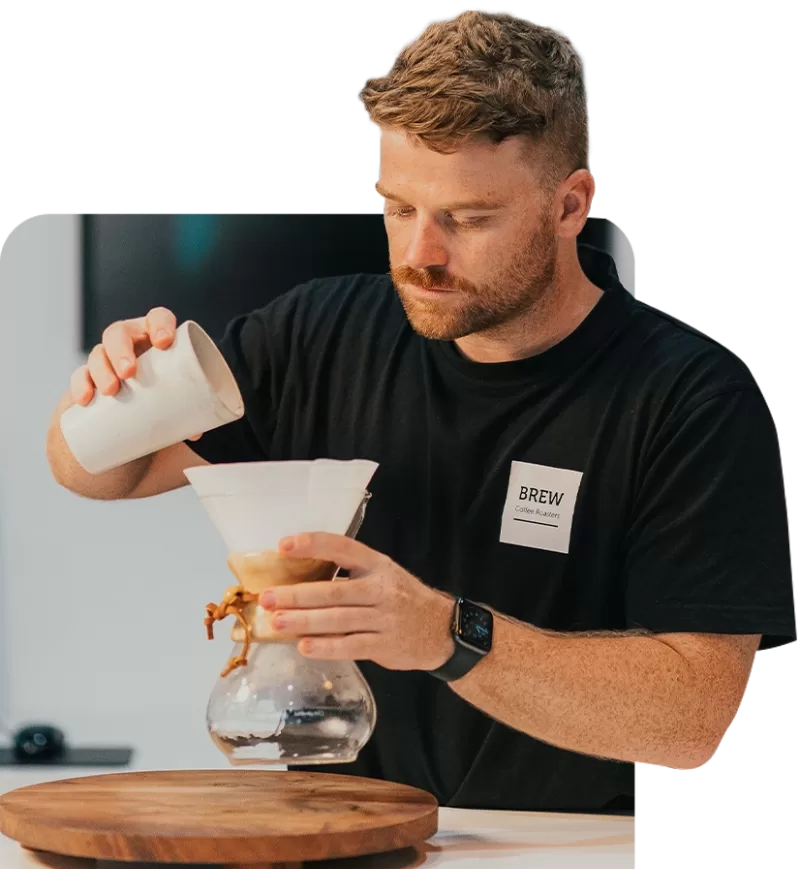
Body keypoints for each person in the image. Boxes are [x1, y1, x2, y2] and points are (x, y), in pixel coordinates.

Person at [47, 8, 796, 815]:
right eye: (398, 207)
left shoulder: (693, 397)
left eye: (468, 220)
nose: (418, 255)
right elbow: (98, 474)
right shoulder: (317, 332)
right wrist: (115, 390)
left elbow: (690, 721)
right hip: (342, 840)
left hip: (570, 861)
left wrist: (447, 633)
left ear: (571, 205)